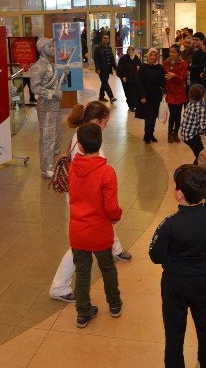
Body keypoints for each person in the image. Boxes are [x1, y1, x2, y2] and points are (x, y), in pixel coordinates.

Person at [49, 102, 132, 303]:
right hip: (86, 200)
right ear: (95, 122)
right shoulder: (86, 142)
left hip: (83, 198)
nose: (106, 126)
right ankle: (59, 286)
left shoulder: (83, 135)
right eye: (104, 122)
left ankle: (116, 248)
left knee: (95, 228)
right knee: (79, 246)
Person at [149, 164, 206, 368]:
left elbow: (156, 256)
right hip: (203, 281)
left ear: (179, 194)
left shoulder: (169, 224)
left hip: (174, 283)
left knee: (174, 331)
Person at [69, 122, 123, 328]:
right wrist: (117, 215)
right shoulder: (107, 172)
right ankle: (115, 304)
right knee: (107, 267)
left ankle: (82, 312)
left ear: (80, 146)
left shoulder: (74, 167)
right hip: (99, 230)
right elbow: (111, 208)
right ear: (101, 142)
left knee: (82, 272)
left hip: (78, 231)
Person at [29, 38, 64, 179]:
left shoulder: (51, 64)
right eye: (50, 45)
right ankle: (46, 168)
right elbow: (35, 87)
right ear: (42, 48)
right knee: (47, 138)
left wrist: (63, 75)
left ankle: (55, 163)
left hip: (55, 106)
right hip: (46, 107)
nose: (52, 47)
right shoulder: (38, 66)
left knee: (57, 136)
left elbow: (52, 83)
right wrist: (52, 93)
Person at [135, 48, 166, 144]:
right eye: (150, 55)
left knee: (153, 116)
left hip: (156, 95)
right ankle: (147, 135)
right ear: (147, 56)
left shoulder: (160, 67)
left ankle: (151, 133)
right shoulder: (143, 67)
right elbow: (139, 82)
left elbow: (163, 81)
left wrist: (164, 92)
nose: (152, 57)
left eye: (154, 55)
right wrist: (142, 96)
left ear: (156, 56)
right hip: (146, 96)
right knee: (148, 117)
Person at [164, 44, 188, 143]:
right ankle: (169, 133)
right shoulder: (165, 62)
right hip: (170, 91)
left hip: (180, 92)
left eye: (173, 52)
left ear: (178, 53)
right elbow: (164, 76)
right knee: (172, 114)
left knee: (178, 114)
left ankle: (175, 133)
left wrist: (174, 75)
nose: (171, 54)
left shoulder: (183, 63)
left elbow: (182, 78)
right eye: (170, 52)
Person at [180, 85, 206, 164]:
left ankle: (194, 170)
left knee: (199, 154)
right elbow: (203, 126)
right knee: (201, 155)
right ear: (202, 96)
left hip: (185, 133)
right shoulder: (200, 108)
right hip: (191, 136)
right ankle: (193, 172)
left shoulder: (189, 104)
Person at [93, 33, 117, 102]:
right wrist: (97, 68)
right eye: (105, 38)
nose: (106, 39)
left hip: (108, 69)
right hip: (101, 69)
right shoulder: (98, 48)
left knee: (104, 82)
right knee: (105, 83)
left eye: (107, 38)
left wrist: (115, 68)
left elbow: (112, 59)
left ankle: (101, 96)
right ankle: (111, 97)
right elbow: (96, 59)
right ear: (102, 39)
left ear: (109, 39)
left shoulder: (109, 47)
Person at [117, 45, 141, 111]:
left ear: (134, 51)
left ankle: (136, 105)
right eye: (129, 50)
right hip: (126, 79)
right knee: (128, 93)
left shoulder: (137, 59)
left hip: (135, 79)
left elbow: (141, 68)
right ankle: (131, 106)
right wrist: (122, 77)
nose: (130, 51)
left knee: (135, 92)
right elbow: (119, 69)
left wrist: (139, 67)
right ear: (127, 51)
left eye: (132, 50)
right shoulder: (123, 59)